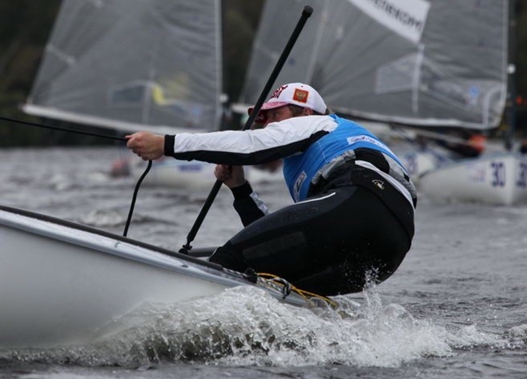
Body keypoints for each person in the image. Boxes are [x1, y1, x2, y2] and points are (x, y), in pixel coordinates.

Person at [126, 83, 417, 297]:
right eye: (263, 119)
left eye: (275, 116)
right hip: (394, 241)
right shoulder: (312, 161)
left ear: (304, 112)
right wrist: (240, 189)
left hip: (361, 199)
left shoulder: (319, 122)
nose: (267, 126)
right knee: (276, 284)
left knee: (230, 260)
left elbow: (251, 145)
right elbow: (284, 240)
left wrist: (166, 144)